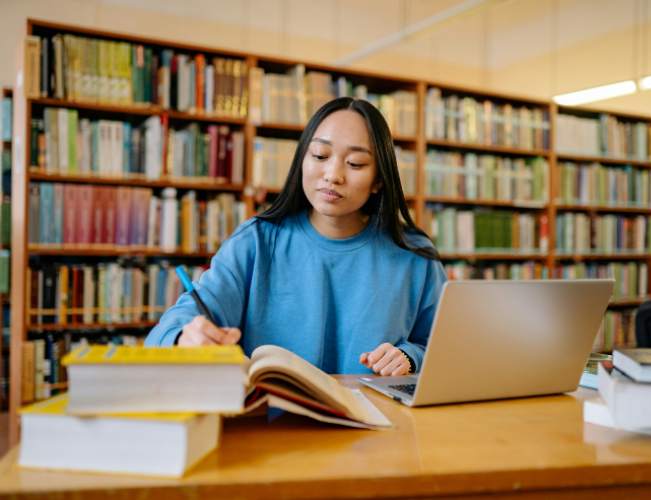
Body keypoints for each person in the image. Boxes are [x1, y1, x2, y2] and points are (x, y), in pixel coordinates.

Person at [145, 97, 447, 376]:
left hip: (380, 428)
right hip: (270, 426)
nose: (333, 174)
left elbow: (445, 349)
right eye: (319, 155)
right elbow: (176, 323)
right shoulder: (257, 241)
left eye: (355, 163)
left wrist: (410, 358)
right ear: (302, 159)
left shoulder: (414, 255)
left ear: (379, 180)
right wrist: (185, 336)